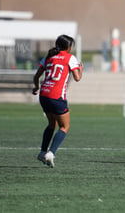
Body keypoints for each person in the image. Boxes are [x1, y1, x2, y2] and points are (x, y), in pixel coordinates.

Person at [32, 35, 83, 168]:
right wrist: (81, 70)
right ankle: (51, 154)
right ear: (68, 47)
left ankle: (43, 152)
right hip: (56, 96)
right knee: (64, 127)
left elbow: (36, 76)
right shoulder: (70, 58)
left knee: (51, 124)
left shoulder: (48, 56)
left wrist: (36, 87)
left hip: (43, 95)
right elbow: (77, 78)